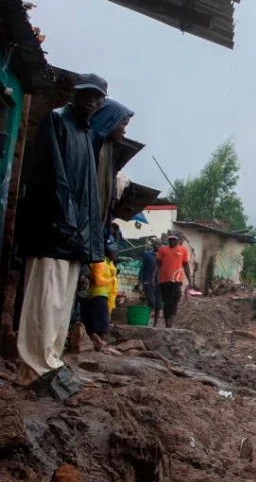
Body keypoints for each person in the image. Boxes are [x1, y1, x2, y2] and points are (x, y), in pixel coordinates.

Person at [15, 73, 108, 398]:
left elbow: (89, 196)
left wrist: (86, 239)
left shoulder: (85, 133)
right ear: (75, 94)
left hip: (73, 239)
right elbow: (52, 180)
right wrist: (66, 225)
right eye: (86, 95)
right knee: (45, 301)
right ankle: (34, 368)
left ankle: (50, 362)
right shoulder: (57, 121)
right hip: (52, 232)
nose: (91, 102)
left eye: (97, 98)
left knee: (60, 306)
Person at [90, 99, 133, 246]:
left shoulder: (108, 152)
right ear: (110, 121)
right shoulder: (91, 147)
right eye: (123, 124)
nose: (124, 130)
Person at [82, 245, 118, 347]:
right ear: (109, 253)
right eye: (115, 252)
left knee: (102, 322)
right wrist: (112, 280)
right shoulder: (101, 263)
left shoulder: (109, 263)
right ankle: (100, 344)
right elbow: (98, 280)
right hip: (98, 294)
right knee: (102, 323)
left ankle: (99, 343)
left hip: (104, 294)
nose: (116, 255)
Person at [156, 232, 191, 328]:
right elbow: (158, 264)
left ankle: (171, 321)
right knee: (166, 301)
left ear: (177, 240)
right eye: (170, 239)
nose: (171, 241)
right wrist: (153, 276)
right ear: (168, 240)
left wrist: (190, 280)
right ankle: (167, 321)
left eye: (173, 239)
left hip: (177, 280)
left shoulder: (183, 250)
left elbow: (186, 266)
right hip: (164, 280)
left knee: (174, 300)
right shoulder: (162, 250)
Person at [140, 241, 163, 326]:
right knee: (151, 301)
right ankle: (145, 320)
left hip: (159, 282)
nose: (156, 245)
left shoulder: (163, 256)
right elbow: (143, 268)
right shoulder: (148, 255)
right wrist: (140, 281)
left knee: (158, 304)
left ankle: (155, 324)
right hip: (147, 281)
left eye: (158, 244)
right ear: (153, 246)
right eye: (155, 244)